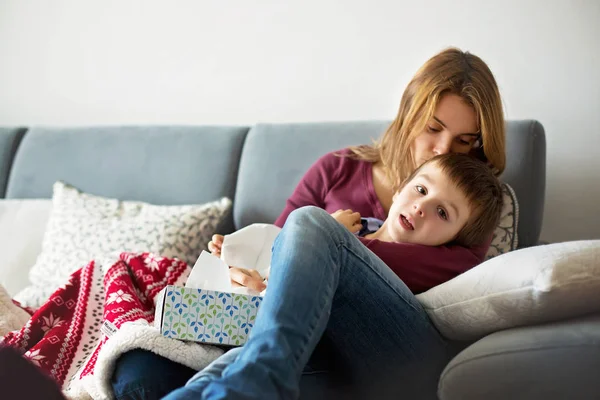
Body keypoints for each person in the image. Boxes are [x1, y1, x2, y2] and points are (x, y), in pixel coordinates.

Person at [110, 47, 506, 400]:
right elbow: (277, 248)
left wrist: (326, 246)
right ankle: (252, 380)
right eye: (433, 128)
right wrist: (251, 267)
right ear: (408, 114)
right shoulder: (336, 169)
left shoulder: (475, 197)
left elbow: (461, 268)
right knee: (146, 374)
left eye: (464, 141)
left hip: (393, 346)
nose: (442, 149)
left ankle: (264, 377)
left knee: (311, 225)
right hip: (311, 350)